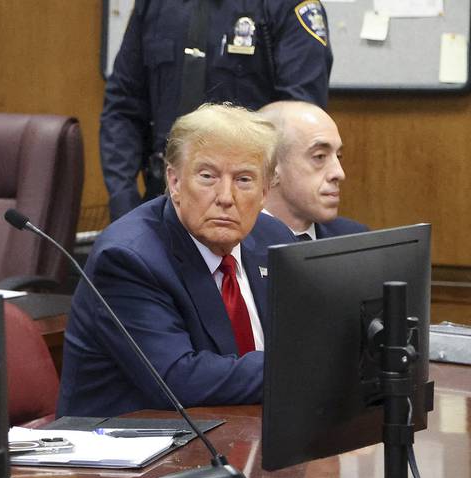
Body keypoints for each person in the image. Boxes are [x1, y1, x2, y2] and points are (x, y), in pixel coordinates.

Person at [57, 104, 295, 418]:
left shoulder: (273, 239)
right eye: (208, 176)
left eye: (244, 180)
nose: (226, 196)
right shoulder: (128, 258)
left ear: (265, 192)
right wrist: (302, 368)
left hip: (241, 432)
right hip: (126, 449)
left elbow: (308, 336)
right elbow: (178, 379)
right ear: (175, 181)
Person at [101, 0, 333, 221]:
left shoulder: (286, 6)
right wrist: (124, 203)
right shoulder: (155, 4)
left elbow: (298, 129)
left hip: (242, 206)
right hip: (161, 198)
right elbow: (123, 107)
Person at [258, 100, 368, 239]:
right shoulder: (235, 246)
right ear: (271, 166)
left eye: (338, 156)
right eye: (320, 156)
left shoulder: (355, 239)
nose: (339, 173)